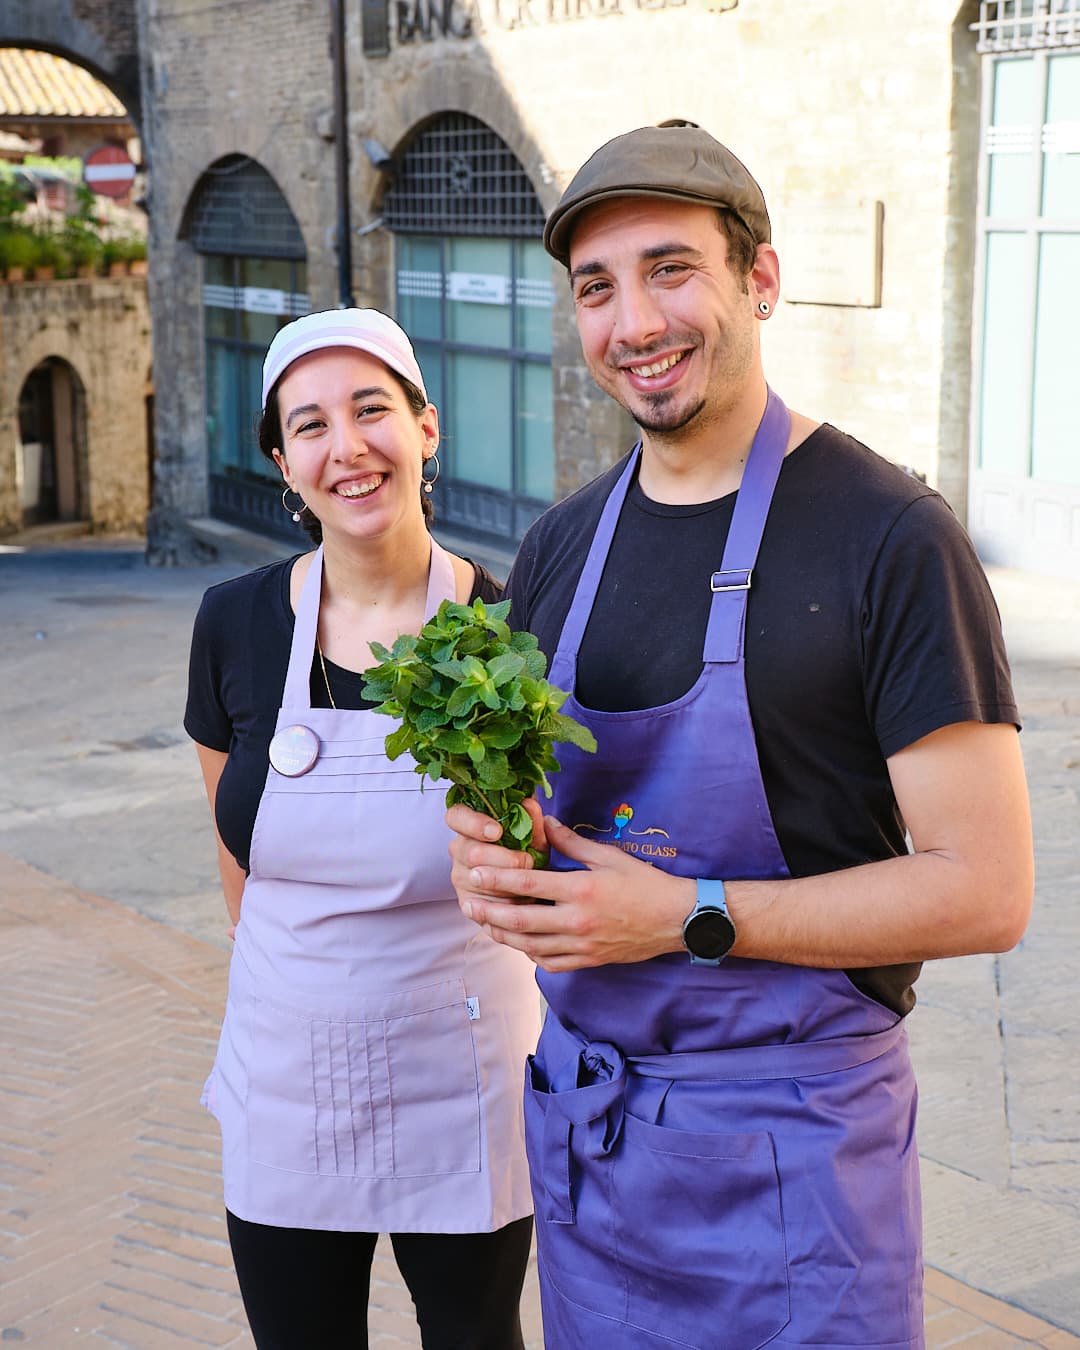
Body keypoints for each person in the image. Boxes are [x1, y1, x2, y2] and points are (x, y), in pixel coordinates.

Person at [446, 123, 1034, 1349]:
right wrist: (492, 860)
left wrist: (685, 913)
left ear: (759, 281)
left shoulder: (888, 537)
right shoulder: (560, 549)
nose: (633, 321)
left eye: (672, 268)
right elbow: (528, 817)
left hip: (797, 1170)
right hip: (596, 1158)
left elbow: (986, 893)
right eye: (597, 288)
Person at [184, 308, 540, 1350]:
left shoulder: (508, 625)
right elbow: (232, 845)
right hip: (288, 1077)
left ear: (427, 428)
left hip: (462, 1073)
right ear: (284, 464)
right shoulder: (234, 622)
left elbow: (541, 856)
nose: (347, 447)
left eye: (372, 409)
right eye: (309, 425)